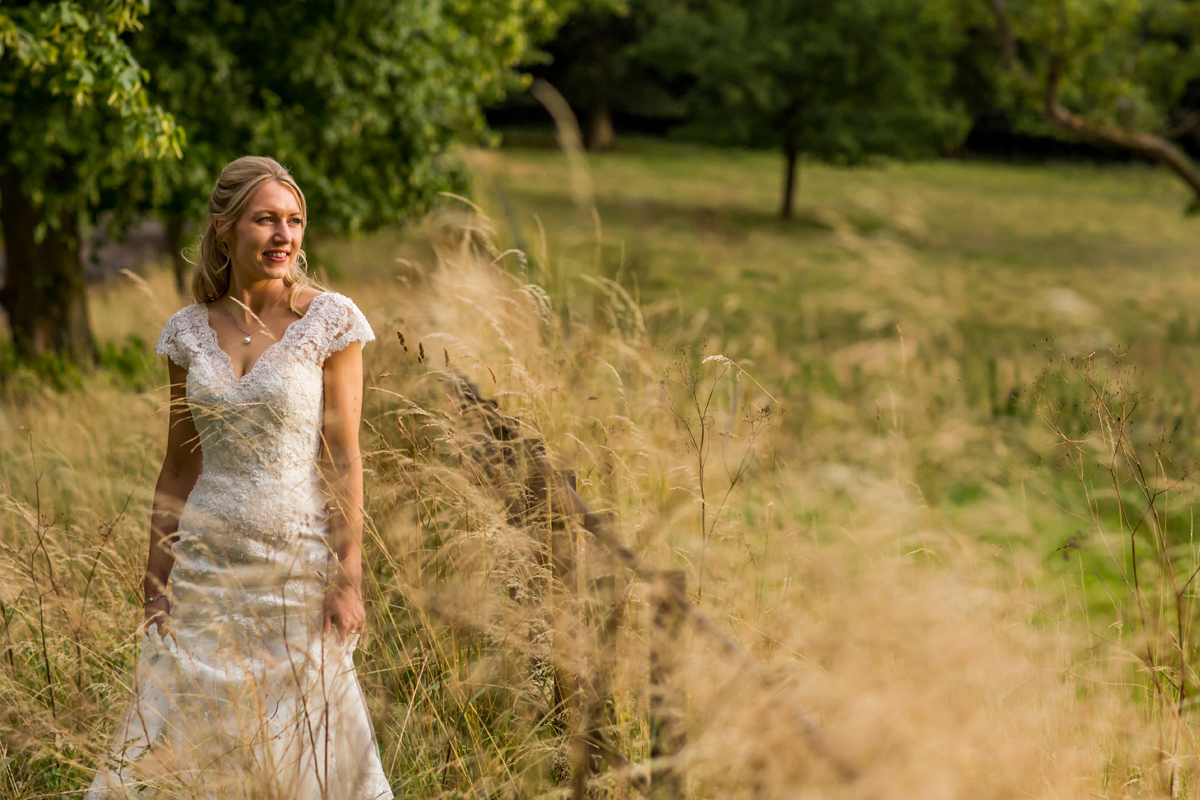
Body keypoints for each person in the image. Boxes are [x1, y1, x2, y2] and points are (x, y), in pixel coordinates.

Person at [86, 156, 393, 800]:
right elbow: (177, 463)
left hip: (295, 572)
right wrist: (154, 582)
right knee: (192, 745)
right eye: (266, 220)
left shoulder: (329, 322)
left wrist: (348, 577)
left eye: (295, 221)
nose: (285, 235)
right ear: (225, 229)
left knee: (308, 749)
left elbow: (343, 456)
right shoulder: (189, 332)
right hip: (205, 572)